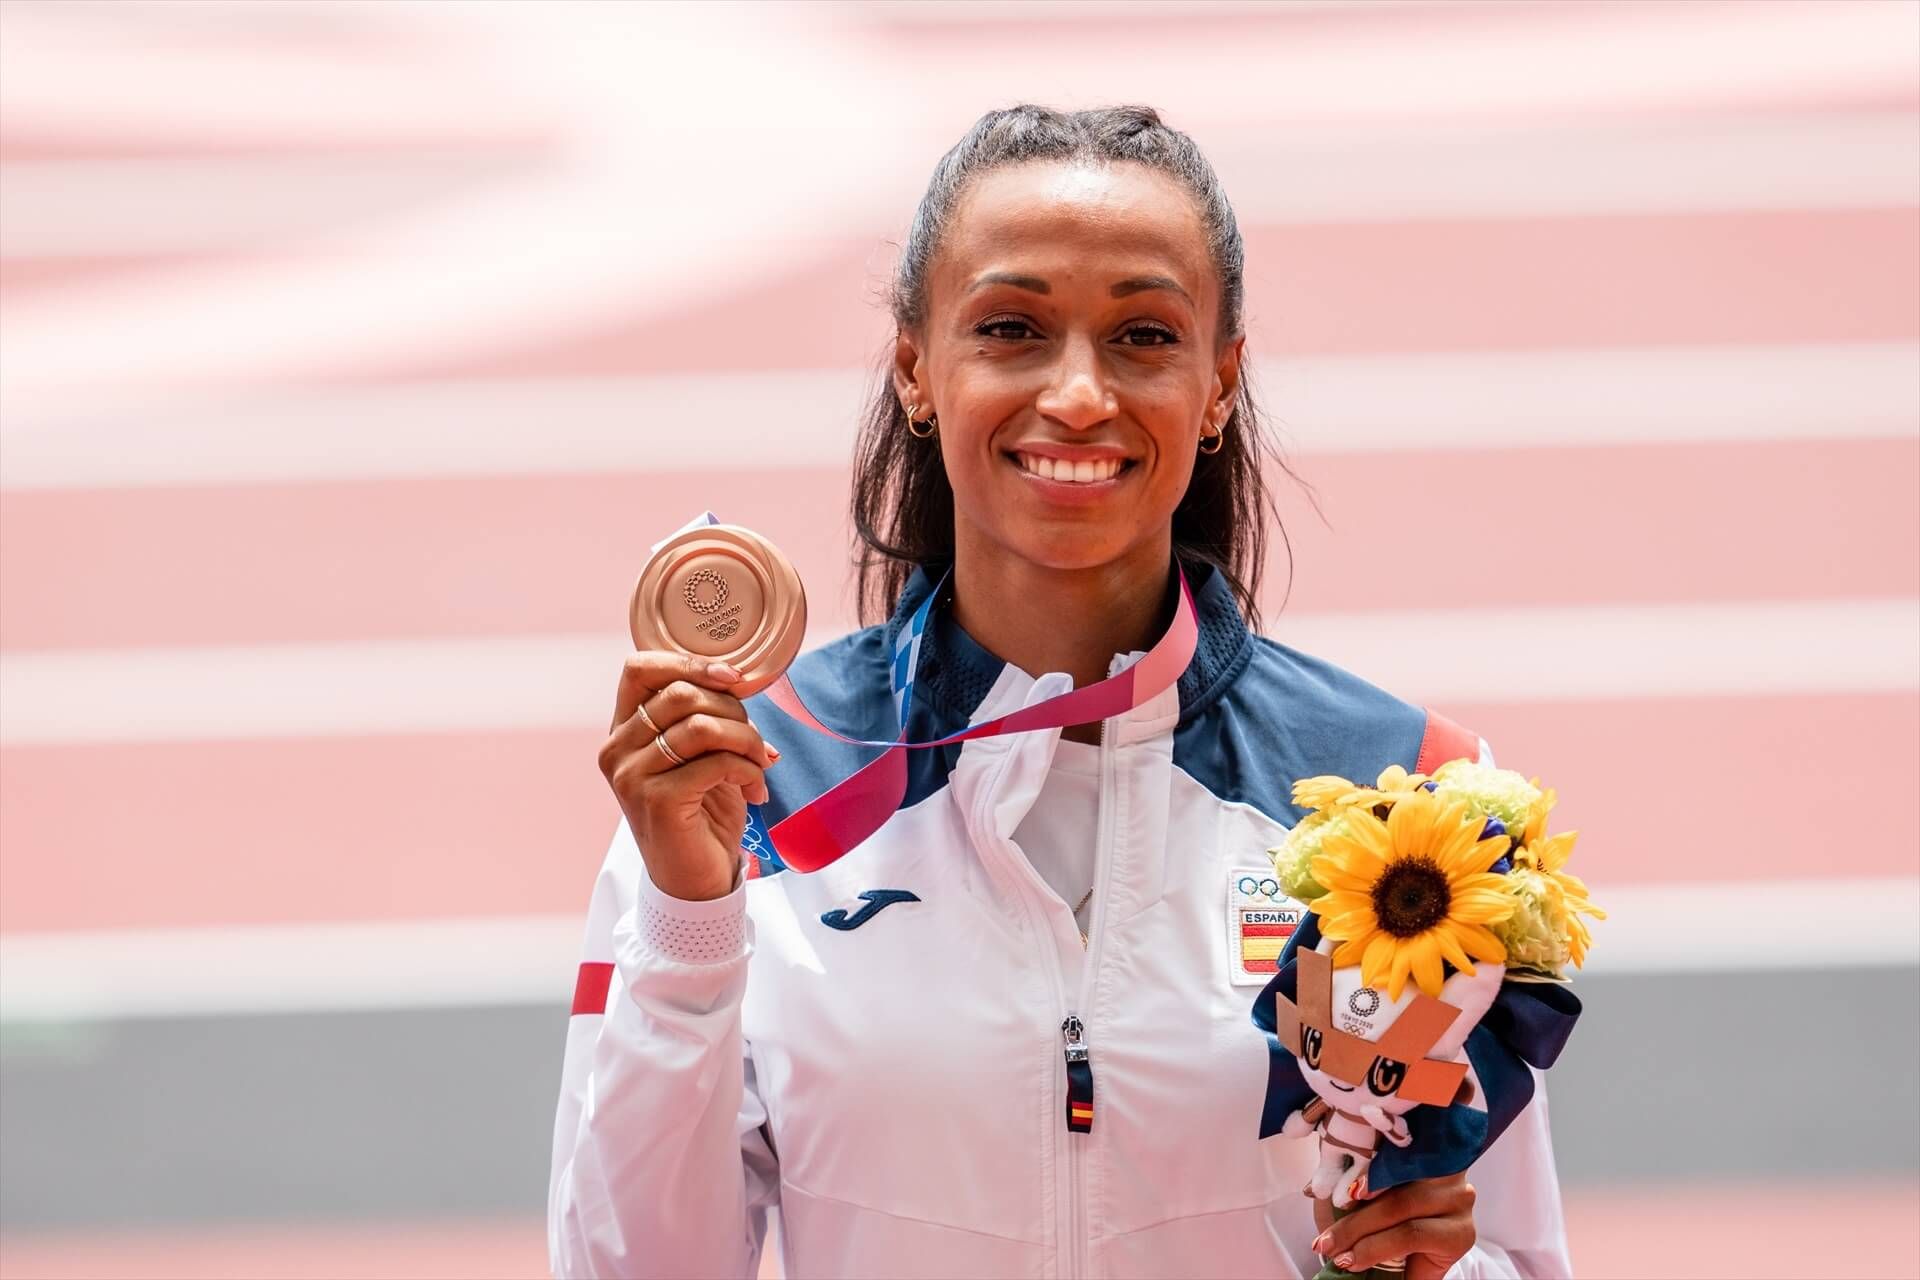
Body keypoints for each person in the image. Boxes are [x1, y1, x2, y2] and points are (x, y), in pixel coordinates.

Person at [548, 104, 1573, 1280]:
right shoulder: (755, 794)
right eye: (1011, 327)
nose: (1080, 394)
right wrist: (688, 923)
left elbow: (1511, 1249)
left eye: (1143, 334)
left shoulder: (1413, 809)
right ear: (917, 365)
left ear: (1220, 381)